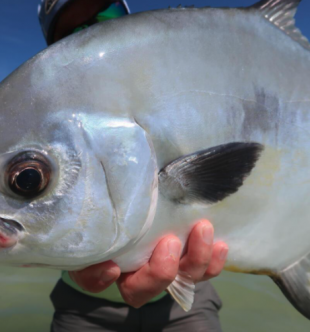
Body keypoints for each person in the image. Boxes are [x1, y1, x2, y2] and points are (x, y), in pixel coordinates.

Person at [37, 1, 229, 331]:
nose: (94, 33)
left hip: (186, 302)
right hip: (83, 307)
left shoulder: (189, 90)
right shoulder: (44, 122)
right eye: (74, 33)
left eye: (106, 19)